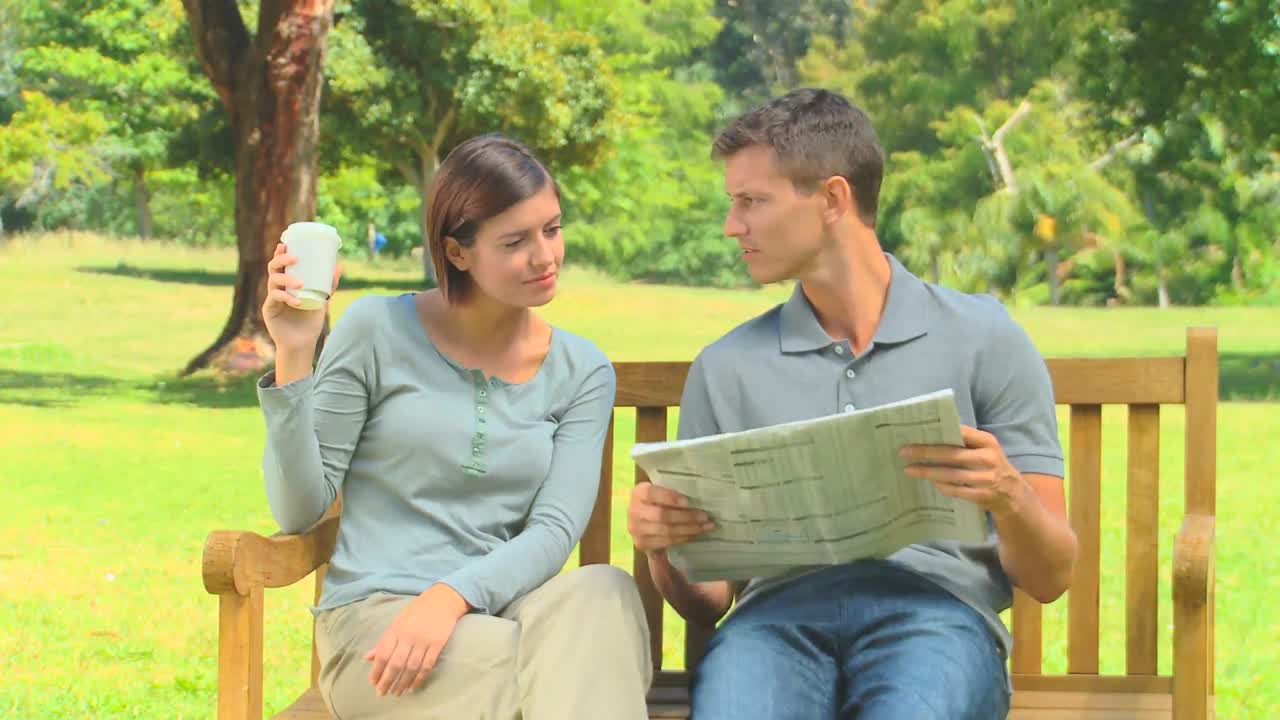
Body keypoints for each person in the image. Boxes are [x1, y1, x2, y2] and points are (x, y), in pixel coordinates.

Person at [626, 89, 1078, 719]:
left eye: (752, 201)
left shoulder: (985, 338)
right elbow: (709, 600)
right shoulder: (726, 367)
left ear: (833, 199)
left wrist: (1010, 495)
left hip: (936, 615)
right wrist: (662, 547)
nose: (733, 225)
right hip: (773, 623)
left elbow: (1051, 577)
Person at [259, 134, 652, 719]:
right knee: (584, 668)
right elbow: (299, 510)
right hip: (381, 629)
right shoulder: (374, 330)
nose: (545, 257)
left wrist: (452, 596)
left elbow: (552, 532)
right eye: (516, 241)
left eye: (552, 228)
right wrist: (295, 353)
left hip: (507, 611)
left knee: (605, 591)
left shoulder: (582, 371)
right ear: (458, 252)